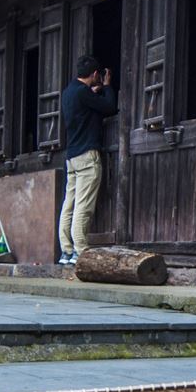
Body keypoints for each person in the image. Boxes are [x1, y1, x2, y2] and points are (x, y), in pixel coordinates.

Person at [57, 54, 118, 267]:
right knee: (83, 206)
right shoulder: (84, 93)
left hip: (72, 156)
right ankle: (80, 251)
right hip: (87, 156)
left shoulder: (69, 92)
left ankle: (66, 251)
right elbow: (110, 107)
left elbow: (85, 104)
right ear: (94, 74)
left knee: (69, 205)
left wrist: (94, 92)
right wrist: (108, 86)